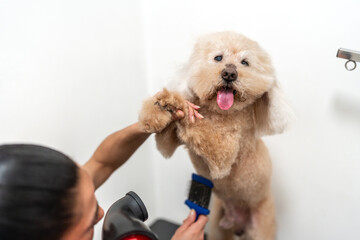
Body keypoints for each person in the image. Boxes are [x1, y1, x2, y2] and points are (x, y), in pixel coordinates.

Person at [0, 103, 207, 240]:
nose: (101, 213)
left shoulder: (59, 195)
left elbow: (102, 162)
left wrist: (149, 124)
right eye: (90, 223)